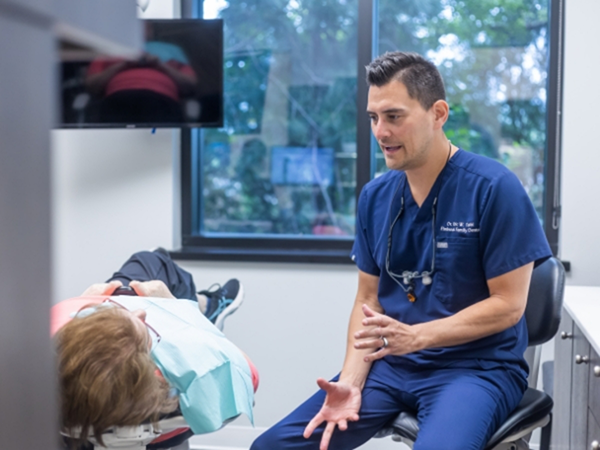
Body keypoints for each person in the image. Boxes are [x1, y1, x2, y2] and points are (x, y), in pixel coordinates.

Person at [251, 51, 552, 450]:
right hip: (392, 367)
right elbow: (368, 299)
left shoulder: (493, 188)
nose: (380, 131)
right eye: (373, 118)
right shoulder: (375, 197)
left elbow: (509, 306)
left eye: (394, 116)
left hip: (476, 368)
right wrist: (350, 382)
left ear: (438, 113)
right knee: (273, 447)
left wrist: (417, 337)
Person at [53, 248, 258, 448]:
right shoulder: (177, 383)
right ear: (150, 368)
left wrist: (84, 304)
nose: (140, 313)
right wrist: (179, 310)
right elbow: (244, 373)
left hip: (73, 441)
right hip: (167, 438)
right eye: (144, 331)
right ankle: (205, 307)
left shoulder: (39, 381)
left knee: (127, 284)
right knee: (150, 263)